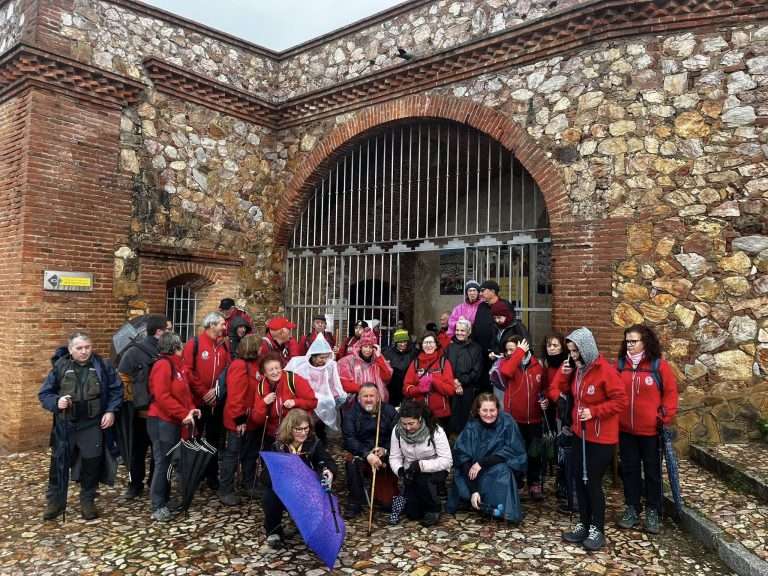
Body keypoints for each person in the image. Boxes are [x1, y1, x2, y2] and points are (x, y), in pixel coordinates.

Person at [554, 327, 626, 551]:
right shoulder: (578, 370)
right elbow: (570, 393)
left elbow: (620, 401)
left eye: (576, 351)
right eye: (571, 352)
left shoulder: (605, 371)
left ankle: (597, 528)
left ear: (586, 348)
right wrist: (565, 374)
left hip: (600, 438)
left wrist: (594, 412)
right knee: (579, 480)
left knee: (592, 482)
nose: (573, 356)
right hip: (579, 433)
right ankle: (584, 524)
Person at [39, 331, 122, 520]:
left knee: (92, 463)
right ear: (70, 349)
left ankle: (88, 500)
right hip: (65, 425)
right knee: (59, 464)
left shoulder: (102, 365)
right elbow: (45, 394)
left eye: (87, 347)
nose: (84, 351)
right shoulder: (60, 366)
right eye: (79, 348)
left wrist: (110, 410)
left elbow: (116, 389)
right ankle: (55, 503)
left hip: (92, 424)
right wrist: (56, 402)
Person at [616, 324, 678, 535]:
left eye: (634, 341)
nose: (630, 345)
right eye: (627, 341)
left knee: (652, 473)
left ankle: (653, 510)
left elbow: (670, 394)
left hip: (651, 432)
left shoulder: (658, 366)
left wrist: (664, 416)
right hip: (626, 431)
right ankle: (632, 507)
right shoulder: (621, 365)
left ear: (645, 342)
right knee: (629, 471)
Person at [446, 393, 527, 523]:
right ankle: (479, 500)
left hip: (496, 467)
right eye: (484, 410)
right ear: (478, 410)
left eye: (492, 410)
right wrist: (474, 490)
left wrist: (482, 463)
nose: (489, 414)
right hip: (474, 473)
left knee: (503, 471)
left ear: (498, 409)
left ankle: (501, 509)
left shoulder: (507, 422)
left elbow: (513, 450)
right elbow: (463, 457)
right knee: (467, 488)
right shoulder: (471, 427)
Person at [262, 409, 337, 549]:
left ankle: (313, 528)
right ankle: (274, 531)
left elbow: (328, 461)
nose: (303, 433)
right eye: (298, 429)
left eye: (306, 428)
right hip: (284, 489)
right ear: (290, 429)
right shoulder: (277, 446)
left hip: (307, 488)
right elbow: (265, 474)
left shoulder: (313, 443)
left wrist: (328, 471)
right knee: (269, 495)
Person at [146, 332, 200, 521]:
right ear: (176, 347)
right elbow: (162, 396)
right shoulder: (163, 365)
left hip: (171, 421)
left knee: (167, 462)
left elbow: (184, 394)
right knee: (162, 463)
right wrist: (182, 413)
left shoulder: (177, 367)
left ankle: (164, 500)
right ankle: (158, 504)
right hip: (161, 421)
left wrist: (191, 409)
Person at [116, 313, 168, 500]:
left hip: (160, 411)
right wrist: (136, 398)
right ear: (159, 331)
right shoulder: (133, 352)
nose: (171, 333)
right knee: (137, 451)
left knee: (158, 452)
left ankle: (154, 482)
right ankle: (134, 483)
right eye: (168, 329)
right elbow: (122, 377)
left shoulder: (166, 350)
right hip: (140, 412)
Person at [182, 312, 231, 490]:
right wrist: (203, 393)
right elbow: (187, 371)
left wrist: (217, 391)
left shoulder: (224, 346)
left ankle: (211, 475)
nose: (224, 327)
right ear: (211, 326)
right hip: (197, 402)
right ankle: (192, 475)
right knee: (193, 438)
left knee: (214, 440)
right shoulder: (194, 344)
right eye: (221, 324)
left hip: (216, 403)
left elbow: (227, 370)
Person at [389, 399, 453, 526]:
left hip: (434, 467)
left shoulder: (435, 430)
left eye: (411, 423)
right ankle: (412, 505)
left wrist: (421, 465)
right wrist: (400, 471)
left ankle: (434, 509)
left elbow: (447, 460)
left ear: (419, 419)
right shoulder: (397, 431)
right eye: (404, 424)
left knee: (424, 481)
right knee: (413, 513)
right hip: (410, 469)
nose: (407, 427)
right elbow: (394, 457)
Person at [498, 336, 547, 500]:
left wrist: (545, 399)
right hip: (514, 420)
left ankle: (534, 483)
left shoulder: (537, 366)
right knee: (515, 453)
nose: (509, 353)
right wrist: (518, 353)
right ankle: (517, 483)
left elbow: (544, 387)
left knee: (534, 453)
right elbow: (506, 372)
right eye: (508, 350)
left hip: (534, 419)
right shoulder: (508, 364)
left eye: (513, 349)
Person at [341, 383, 399, 518]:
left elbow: (398, 436)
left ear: (378, 397)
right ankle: (355, 501)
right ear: (359, 398)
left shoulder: (389, 411)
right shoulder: (350, 414)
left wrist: (385, 450)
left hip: (383, 456)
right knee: (352, 462)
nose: (368, 399)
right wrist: (367, 454)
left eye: (371, 396)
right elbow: (349, 439)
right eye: (365, 396)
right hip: (361, 454)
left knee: (388, 505)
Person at [219, 334, 262, 506]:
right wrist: (239, 420)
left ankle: (248, 483)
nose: (261, 349)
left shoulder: (253, 364)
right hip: (238, 420)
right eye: (259, 347)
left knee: (250, 454)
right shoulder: (239, 365)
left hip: (250, 420)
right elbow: (236, 396)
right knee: (232, 455)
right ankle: (226, 489)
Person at [285, 333, 347, 443]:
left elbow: (334, 383)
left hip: (323, 402)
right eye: (321, 358)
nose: (323, 361)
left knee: (320, 427)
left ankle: (321, 445)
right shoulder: (299, 364)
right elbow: (288, 377)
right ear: (313, 356)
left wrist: (338, 395)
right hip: (304, 402)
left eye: (326, 357)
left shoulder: (330, 366)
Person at [250, 352, 318, 444]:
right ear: (265, 373)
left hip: (296, 432)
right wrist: (264, 402)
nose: (275, 372)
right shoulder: (261, 388)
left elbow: (313, 402)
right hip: (274, 434)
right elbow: (257, 419)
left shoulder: (293, 379)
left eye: (277, 368)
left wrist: (295, 402)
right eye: (271, 370)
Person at [541, 332, 574, 512]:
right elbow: (548, 387)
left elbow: (566, 386)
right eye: (549, 345)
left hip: (566, 410)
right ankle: (561, 482)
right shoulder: (547, 364)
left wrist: (559, 398)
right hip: (554, 408)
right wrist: (547, 397)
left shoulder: (567, 363)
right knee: (557, 447)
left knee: (565, 449)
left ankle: (565, 485)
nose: (551, 348)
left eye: (555, 345)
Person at [402, 332, 456, 423]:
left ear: (436, 345)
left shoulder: (444, 362)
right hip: (419, 413)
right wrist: (419, 389)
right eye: (425, 343)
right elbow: (405, 389)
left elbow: (450, 390)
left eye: (431, 342)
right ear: (421, 345)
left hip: (440, 414)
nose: (428, 345)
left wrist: (433, 381)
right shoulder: (415, 363)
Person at [444, 318, 483, 436]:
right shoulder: (449, 348)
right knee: (450, 420)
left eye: (463, 330)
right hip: (450, 388)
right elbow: (444, 367)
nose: (459, 333)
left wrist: (461, 382)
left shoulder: (476, 348)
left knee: (466, 420)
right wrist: (454, 383)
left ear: (469, 332)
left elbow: (477, 371)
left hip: (468, 390)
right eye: (457, 330)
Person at [337, 328, 393, 400]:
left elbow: (387, 377)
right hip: (356, 400)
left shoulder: (377, 360)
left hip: (376, 400)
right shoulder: (349, 361)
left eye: (370, 347)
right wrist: (362, 389)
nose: (368, 350)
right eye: (365, 346)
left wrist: (379, 357)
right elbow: (344, 382)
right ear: (360, 347)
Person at [383, 328, 415, 407]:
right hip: (392, 389)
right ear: (396, 342)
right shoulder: (387, 353)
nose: (402, 344)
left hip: (408, 387)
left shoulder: (413, 353)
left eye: (404, 341)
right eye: (400, 342)